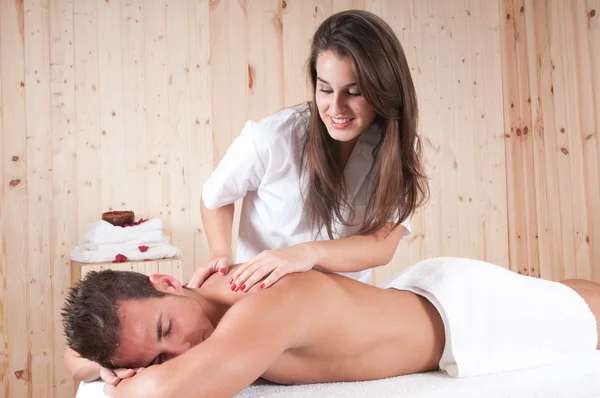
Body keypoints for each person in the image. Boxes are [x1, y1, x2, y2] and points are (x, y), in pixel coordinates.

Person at [63, 258, 600, 398]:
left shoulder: (261, 305)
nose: (181, 349)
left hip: (465, 313)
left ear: (166, 281)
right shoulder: (207, 306)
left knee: (586, 309)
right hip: (413, 297)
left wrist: (138, 377)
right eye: (158, 358)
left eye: (164, 327)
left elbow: (171, 394)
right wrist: (109, 363)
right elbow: (72, 360)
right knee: (569, 291)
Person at [188, 9, 429, 291]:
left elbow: (381, 245)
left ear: (384, 89)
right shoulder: (273, 138)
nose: (336, 108)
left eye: (353, 92)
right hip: (263, 296)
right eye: (325, 90)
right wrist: (221, 253)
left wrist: (304, 253)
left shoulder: (396, 146)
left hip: (340, 303)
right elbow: (214, 196)